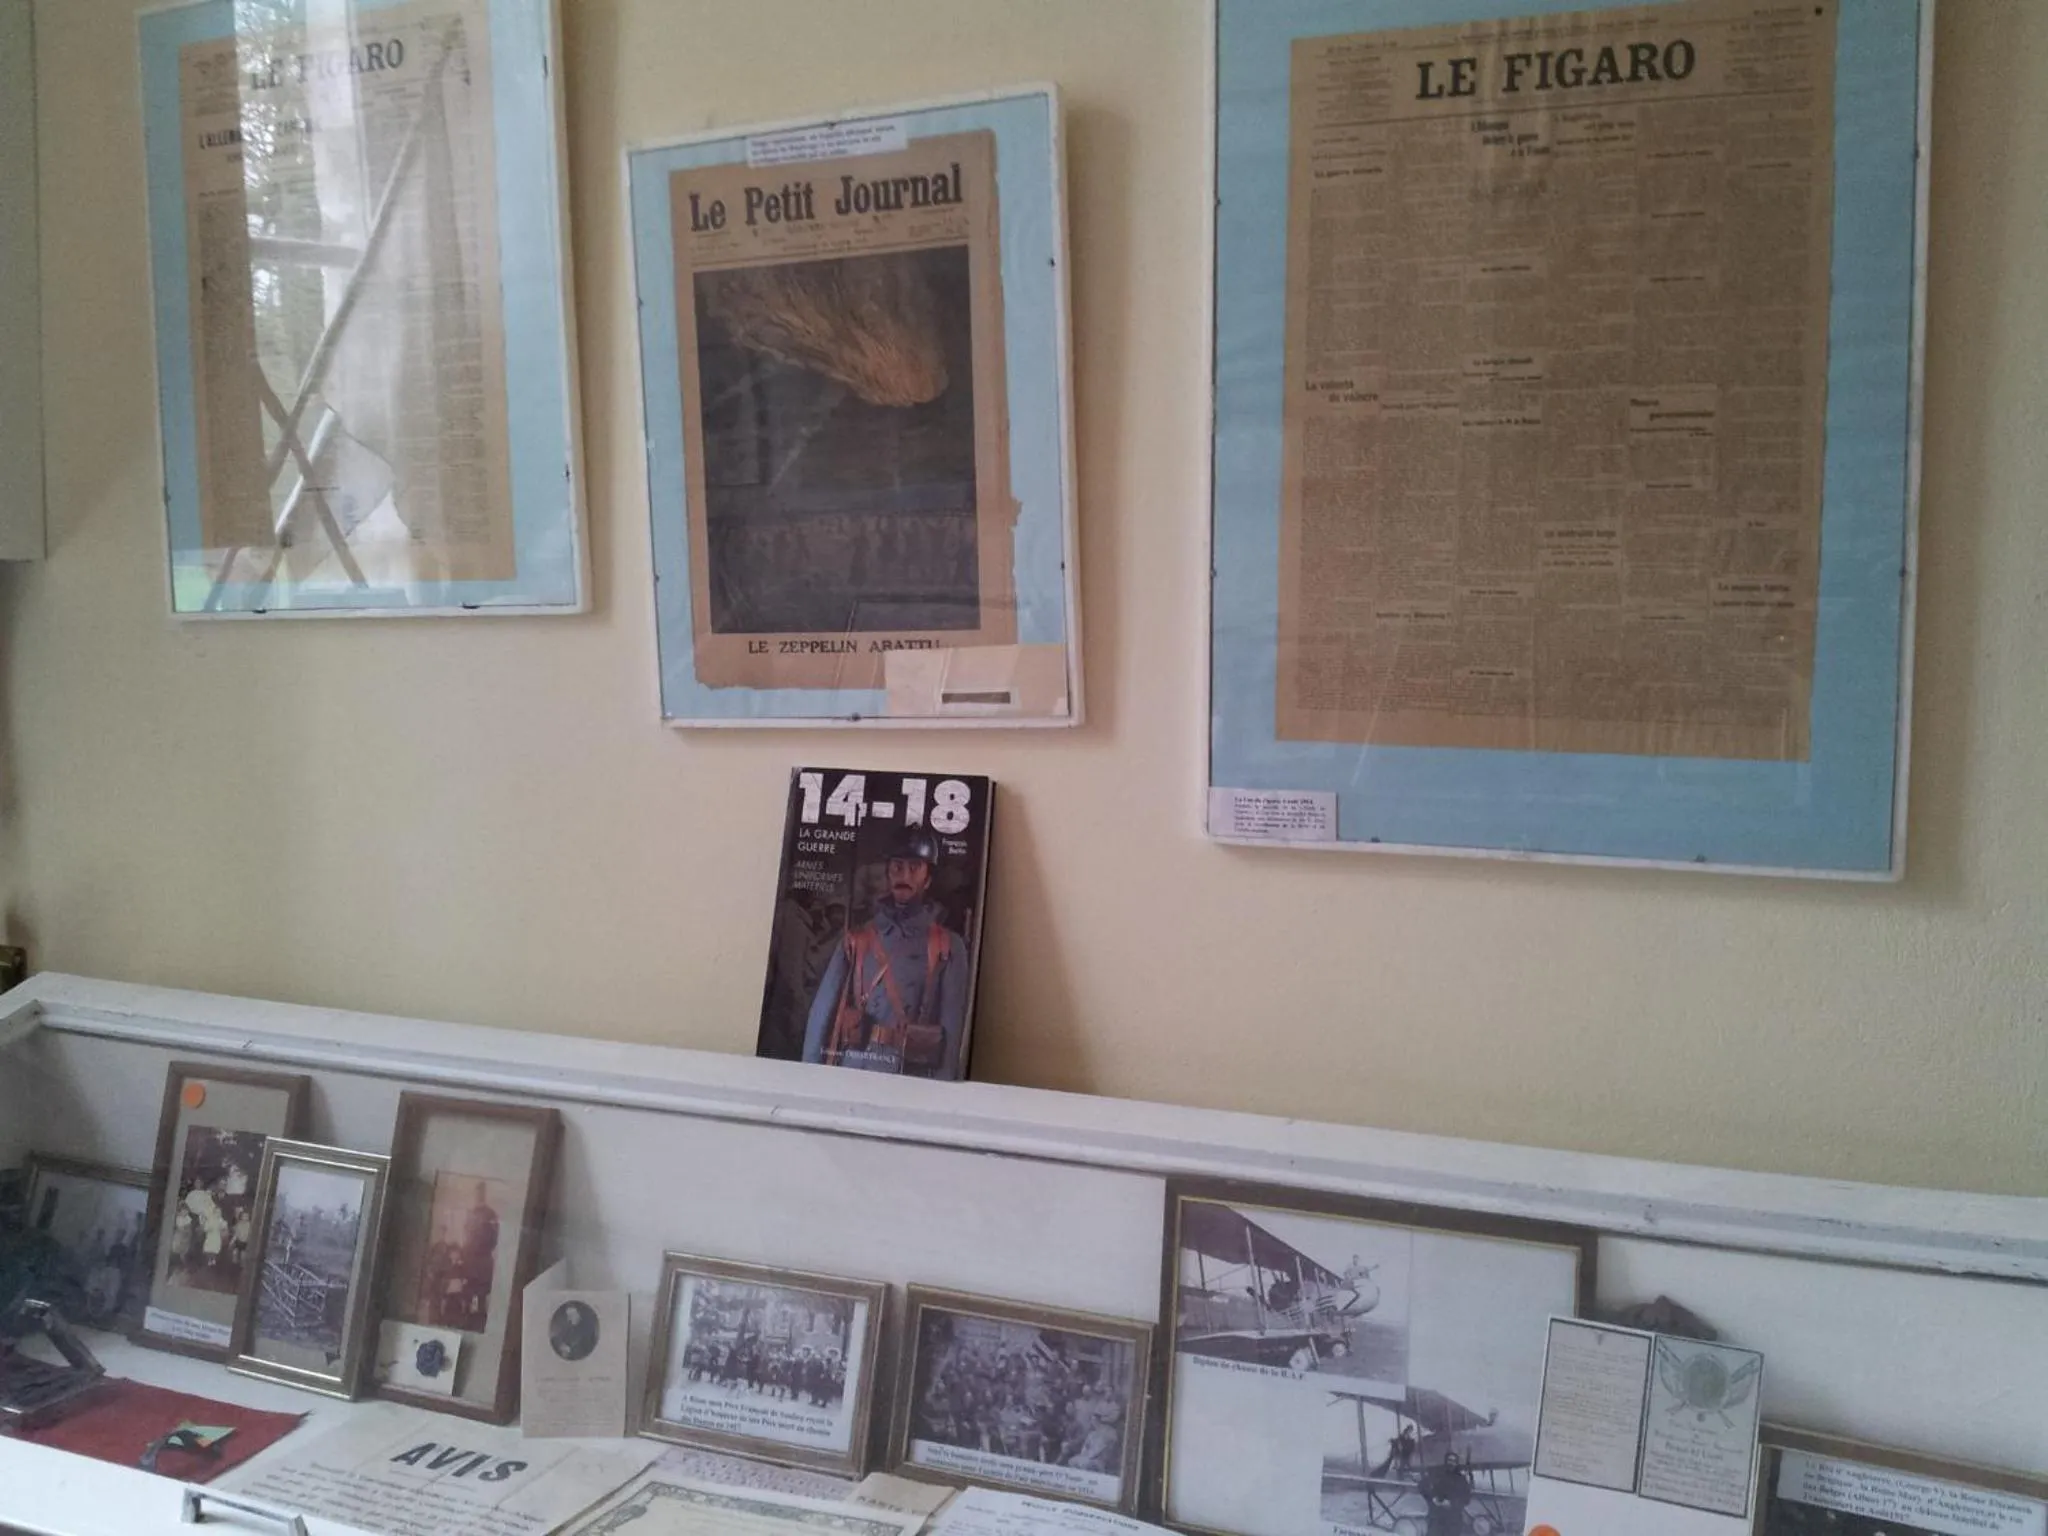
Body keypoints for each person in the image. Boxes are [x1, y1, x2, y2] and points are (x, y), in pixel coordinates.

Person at [801, 829, 969, 1078]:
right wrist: (807, 1076)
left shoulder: (947, 945)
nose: (904, 875)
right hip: (854, 1068)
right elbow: (822, 1012)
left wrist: (941, 1093)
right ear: (888, 874)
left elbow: (951, 1030)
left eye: (915, 868)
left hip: (911, 1075)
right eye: (897, 867)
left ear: (928, 878)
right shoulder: (857, 939)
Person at [1420, 1451, 1473, 1536]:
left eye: (1454, 1461)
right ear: (1445, 1461)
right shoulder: (1436, 1474)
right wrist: (1433, 1498)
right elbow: (1422, 1486)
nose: (1451, 1463)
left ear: (1456, 1463)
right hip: (1436, 1518)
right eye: (1449, 1460)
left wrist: (1452, 1503)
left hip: (1453, 1521)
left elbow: (1467, 1498)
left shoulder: (1461, 1480)